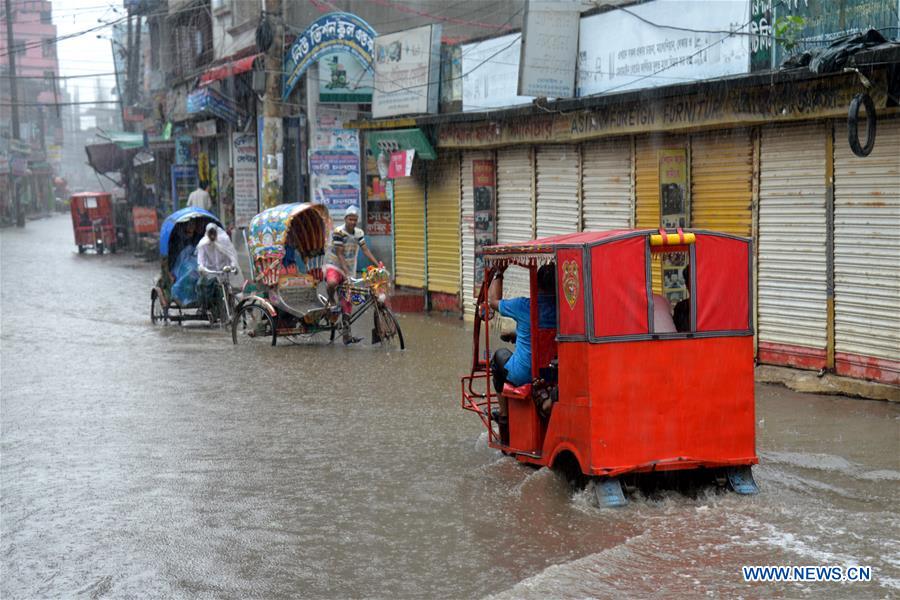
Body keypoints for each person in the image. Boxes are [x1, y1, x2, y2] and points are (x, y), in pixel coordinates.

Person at [487, 263, 557, 444]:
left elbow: (493, 302)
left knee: (498, 356)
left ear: (536, 284)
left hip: (525, 373)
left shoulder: (524, 306)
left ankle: (504, 418)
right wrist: (517, 335)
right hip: (554, 374)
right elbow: (546, 337)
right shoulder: (565, 309)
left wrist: (499, 274)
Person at [324, 205, 381, 345]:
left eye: (355, 220)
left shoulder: (359, 233)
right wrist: (347, 273)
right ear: (345, 219)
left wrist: (378, 264)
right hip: (334, 266)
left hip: (349, 269)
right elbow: (339, 253)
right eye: (350, 219)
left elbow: (365, 250)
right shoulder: (338, 232)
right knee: (331, 283)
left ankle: (346, 335)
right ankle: (331, 299)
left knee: (347, 300)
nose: (353, 222)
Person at [196, 223, 239, 317]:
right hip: (211, 273)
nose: (212, 236)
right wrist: (202, 267)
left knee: (232, 290)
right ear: (207, 233)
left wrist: (232, 266)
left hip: (224, 271)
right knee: (201, 285)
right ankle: (206, 307)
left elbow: (232, 255)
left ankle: (230, 308)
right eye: (210, 234)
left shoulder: (224, 241)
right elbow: (201, 260)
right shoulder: (203, 244)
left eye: (213, 233)